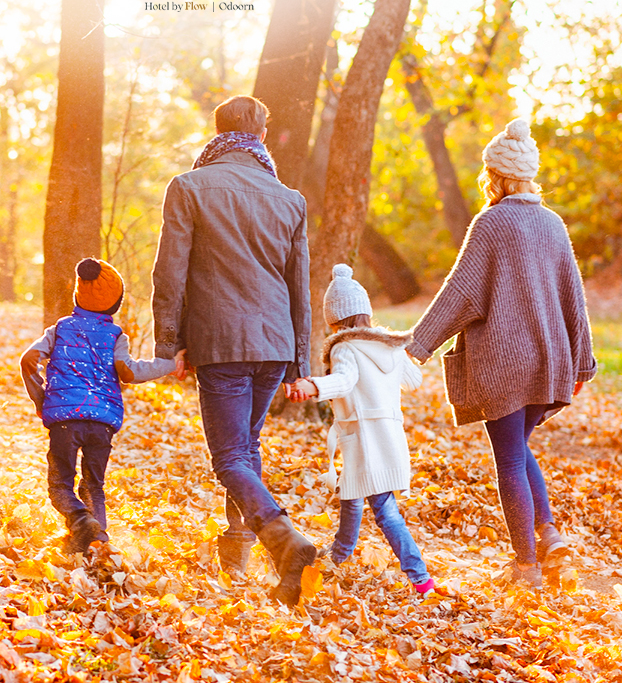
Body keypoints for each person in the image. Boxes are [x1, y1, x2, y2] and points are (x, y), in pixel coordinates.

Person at [405, 118, 597, 589]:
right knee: (519, 448)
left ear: (495, 175)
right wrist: (582, 362)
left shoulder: (490, 223)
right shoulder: (553, 224)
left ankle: (526, 565)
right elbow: (575, 297)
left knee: (509, 458)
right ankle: (550, 538)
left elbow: (460, 294)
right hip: (549, 361)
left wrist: (417, 345)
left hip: (505, 365)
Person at [151, 94, 316, 606]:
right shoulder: (289, 198)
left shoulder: (189, 187)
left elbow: (169, 273)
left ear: (217, 131)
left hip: (221, 341)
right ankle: (240, 553)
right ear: (262, 136)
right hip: (274, 345)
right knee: (246, 448)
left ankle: (284, 539)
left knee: (228, 458)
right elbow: (299, 287)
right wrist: (301, 362)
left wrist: (167, 346)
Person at [290, 265, 449, 599]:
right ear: (365, 312)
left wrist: (312, 385)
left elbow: (344, 381)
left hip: (366, 437)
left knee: (384, 510)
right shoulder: (387, 345)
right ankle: (339, 555)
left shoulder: (344, 347)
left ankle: (420, 578)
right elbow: (414, 380)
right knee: (352, 494)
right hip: (388, 436)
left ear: (335, 319)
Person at [19, 259, 183, 552]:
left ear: (77, 295)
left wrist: (41, 399)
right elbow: (129, 371)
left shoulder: (58, 330)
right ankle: (98, 540)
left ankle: (81, 521)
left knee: (60, 486)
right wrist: (168, 365)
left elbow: (28, 360)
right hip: (102, 423)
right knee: (94, 484)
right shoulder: (116, 336)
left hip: (64, 421)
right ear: (115, 304)